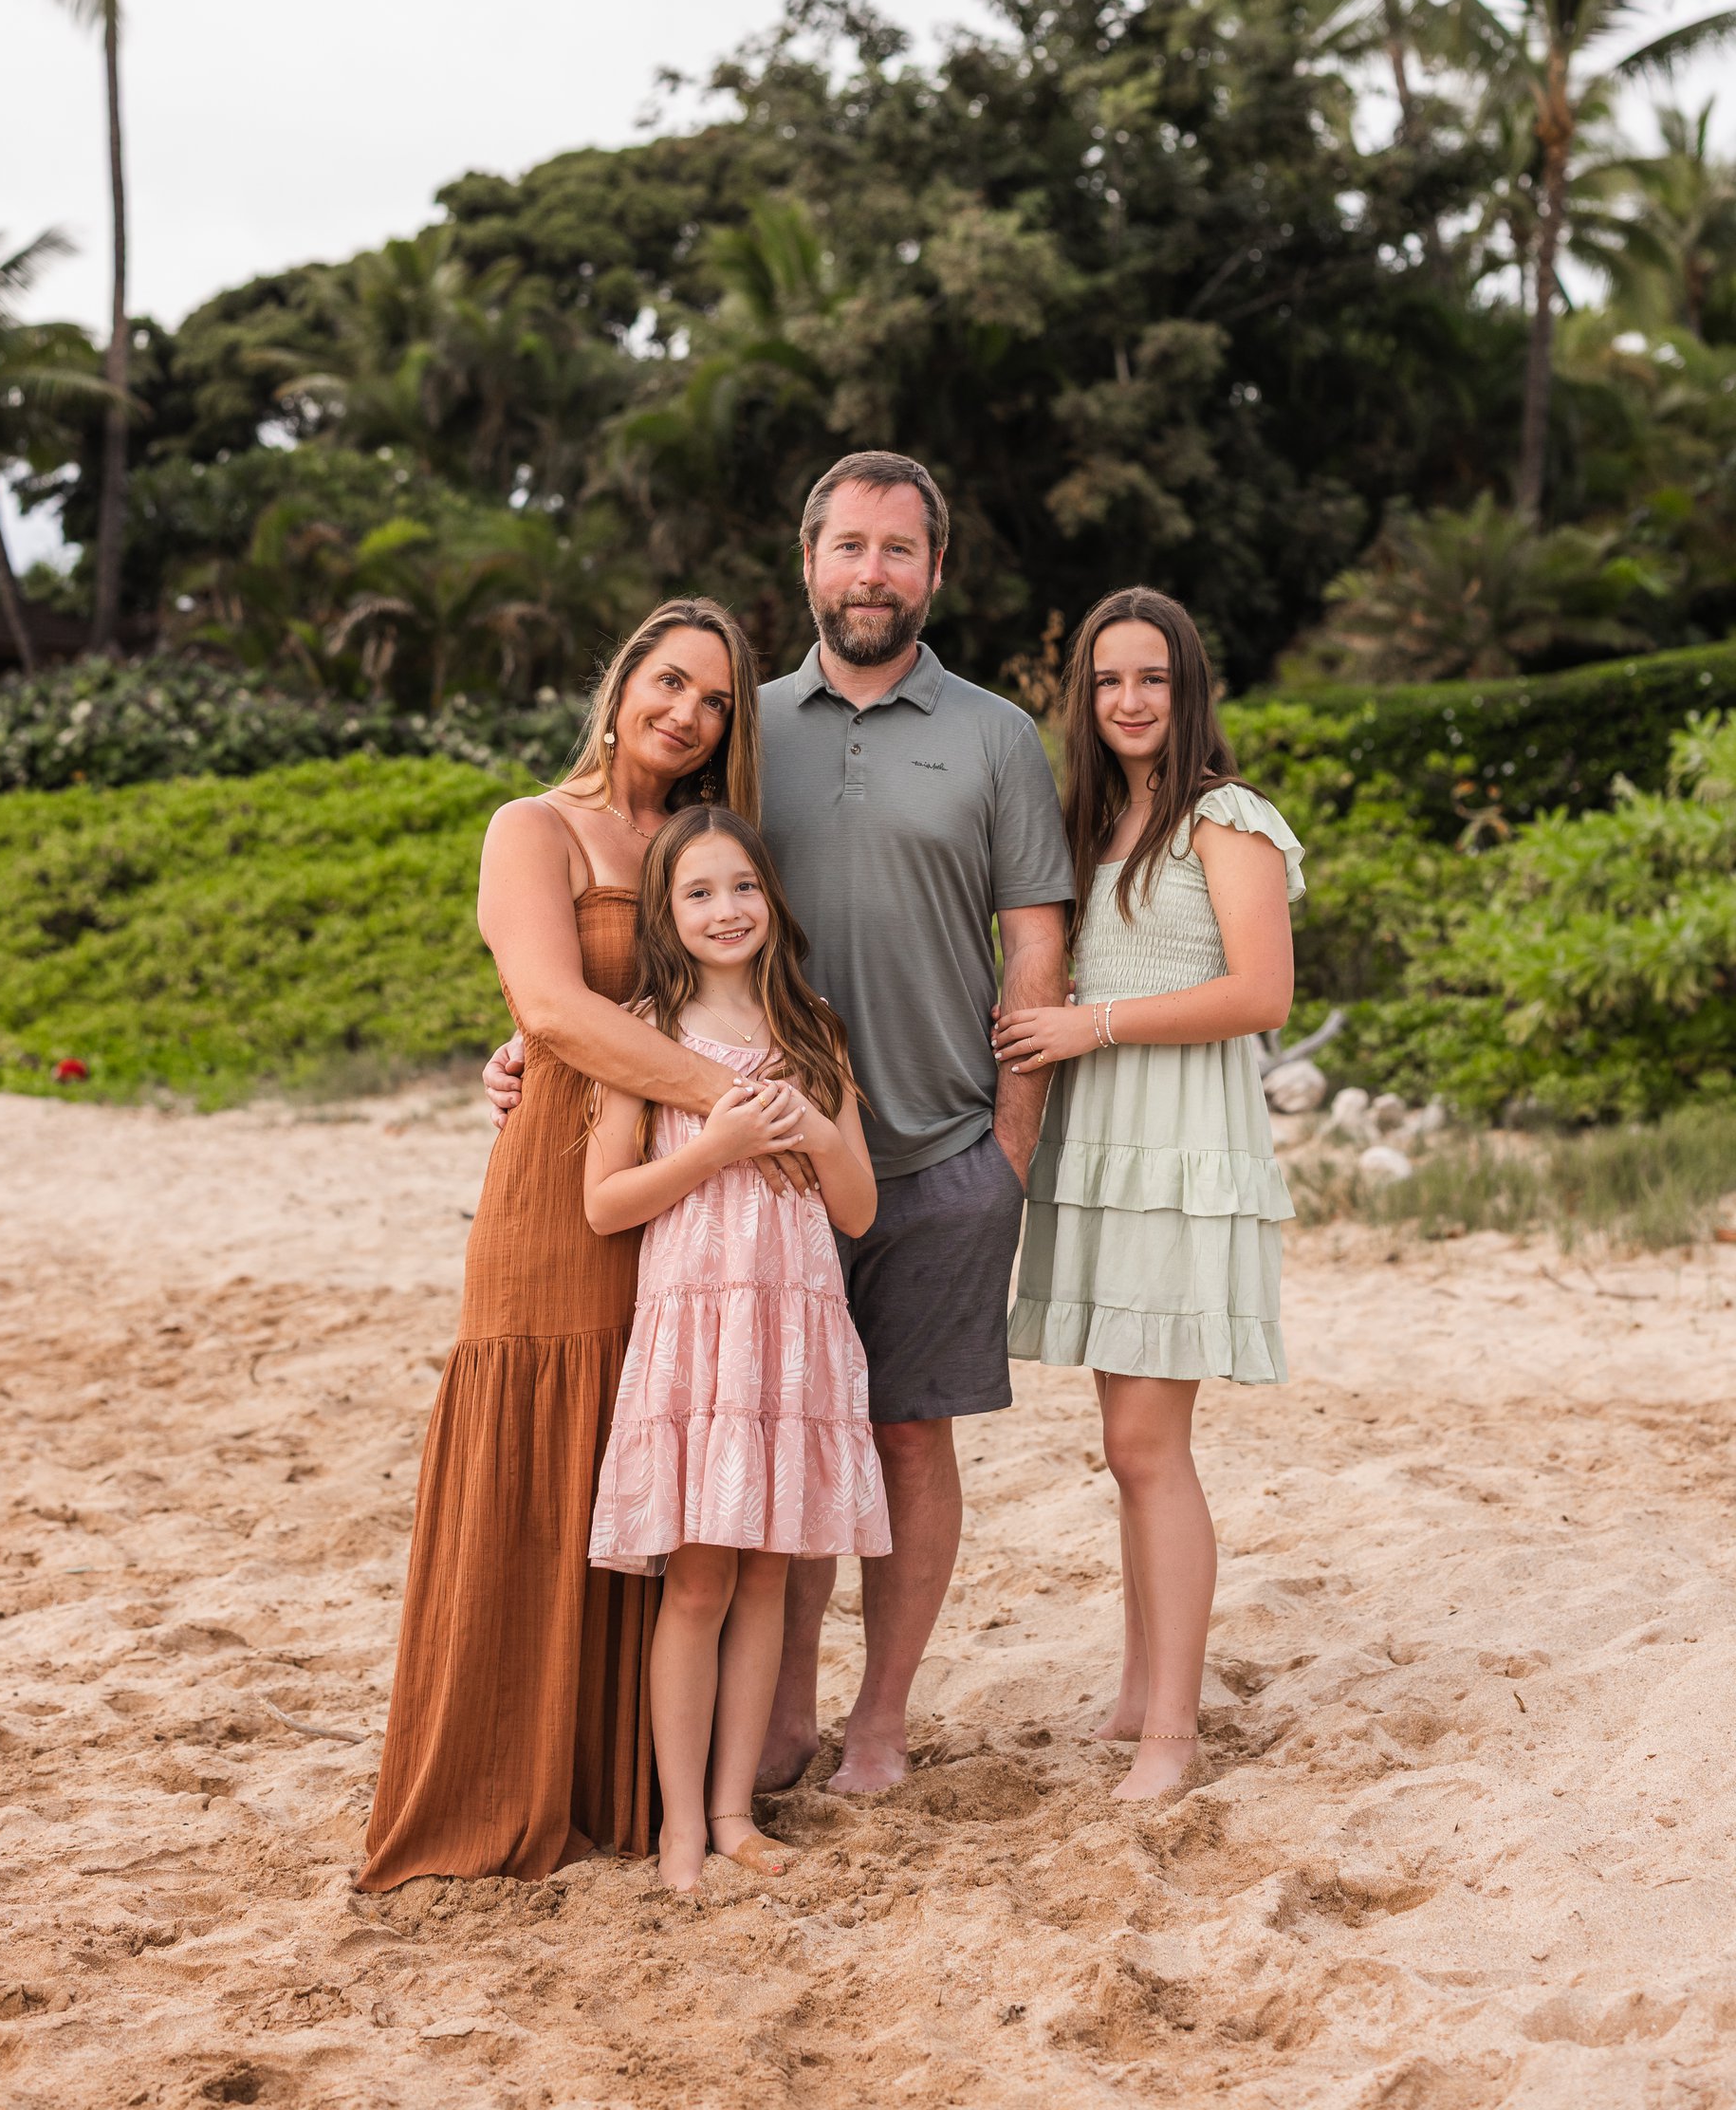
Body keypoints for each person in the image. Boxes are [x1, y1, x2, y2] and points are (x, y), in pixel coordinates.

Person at [489, 451, 1073, 1796]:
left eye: (899, 549)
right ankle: (783, 1717)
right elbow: (656, 908)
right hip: (749, 1179)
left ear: (936, 570)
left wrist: (1009, 1151)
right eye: (848, 546)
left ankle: (881, 1720)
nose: (872, 572)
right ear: (808, 564)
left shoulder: (996, 735)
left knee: (907, 1438)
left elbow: (1036, 947)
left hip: (936, 1152)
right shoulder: (744, 733)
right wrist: (536, 1033)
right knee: (783, 1434)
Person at [358, 597, 814, 1890]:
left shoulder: (706, 846)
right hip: (568, 1188)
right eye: (670, 682)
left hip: (697, 1213)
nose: (688, 713)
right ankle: (507, 1777)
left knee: (662, 1482)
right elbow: (553, 1006)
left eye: (716, 701)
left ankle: (639, 1792)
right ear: (620, 685)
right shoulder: (533, 827)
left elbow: (721, 990)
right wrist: (722, 1101)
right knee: (543, 1457)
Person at [994, 587, 1302, 1804]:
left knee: (1146, 1445)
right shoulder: (1085, 828)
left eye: (1153, 679)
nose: (1130, 701)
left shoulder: (1224, 817)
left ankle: (1173, 1730)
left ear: (1188, 690)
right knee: (1124, 1447)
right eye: (1109, 680)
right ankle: (1136, 1693)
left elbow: (1261, 994)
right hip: (1104, 1149)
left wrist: (1095, 1023)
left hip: (1179, 1152)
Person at [583, 806, 887, 1894]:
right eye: (699, 893)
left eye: (744, 887)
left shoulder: (814, 1029)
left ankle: (732, 1814)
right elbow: (606, 1203)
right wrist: (713, 1146)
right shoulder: (645, 1032)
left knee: (768, 1580)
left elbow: (857, 1209)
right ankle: (678, 1828)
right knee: (700, 1581)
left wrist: (814, 1128)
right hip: (701, 1330)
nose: (727, 910)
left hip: (791, 1334)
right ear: (666, 914)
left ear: (773, 897)